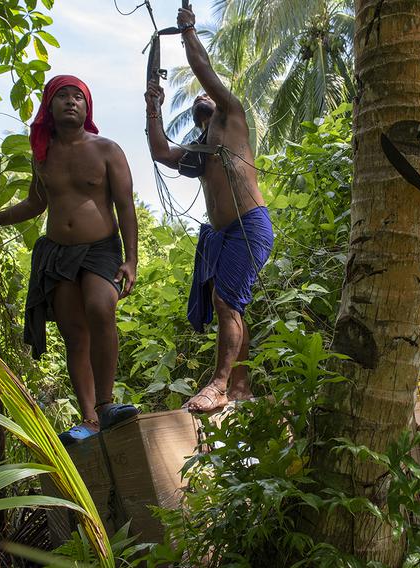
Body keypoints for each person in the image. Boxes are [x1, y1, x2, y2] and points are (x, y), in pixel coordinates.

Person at [0, 75, 139, 444]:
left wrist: (131, 260)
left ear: (87, 107)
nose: (71, 102)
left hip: (101, 248)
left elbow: (126, 205)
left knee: (101, 307)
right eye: (62, 96)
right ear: (49, 107)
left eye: (78, 97)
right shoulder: (43, 155)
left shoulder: (107, 150)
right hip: (57, 254)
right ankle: (89, 419)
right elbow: (36, 203)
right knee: (73, 333)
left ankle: (107, 404)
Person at [145, 6, 275, 413]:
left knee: (225, 301)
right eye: (198, 98)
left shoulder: (232, 117)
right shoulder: (202, 150)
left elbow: (203, 70)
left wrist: (187, 32)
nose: (202, 95)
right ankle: (240, 385)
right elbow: (161, 151)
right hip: (221, 234)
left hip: (249, 225)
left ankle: (218, 384)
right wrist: (153, 105)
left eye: (206, 94)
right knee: (231, 303)